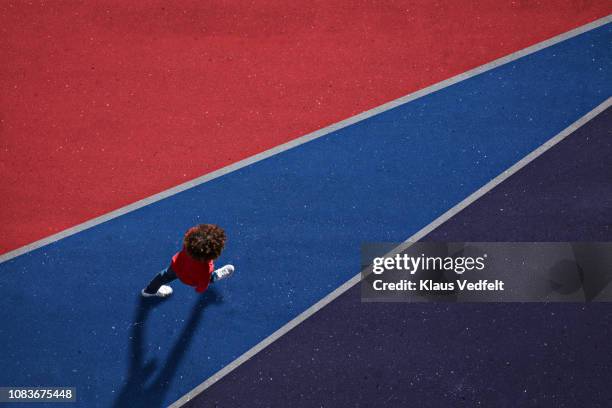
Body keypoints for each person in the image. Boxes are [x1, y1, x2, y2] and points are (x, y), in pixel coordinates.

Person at [142, 224, 234, 298]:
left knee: (163, 276)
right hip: (191, 280)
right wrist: (200, 289)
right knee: (210, 278)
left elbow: (191, 232)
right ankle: (216, 276)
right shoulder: (207, 269)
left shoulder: (188, 244)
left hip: (176, 266)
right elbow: (201, 287)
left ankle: (149, 291)